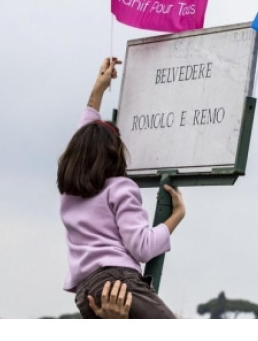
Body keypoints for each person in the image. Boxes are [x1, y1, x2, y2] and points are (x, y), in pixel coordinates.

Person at [57, 57, 186, 319]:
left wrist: (98, 90)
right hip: (120, 283)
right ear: (115, 156)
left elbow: (85, 138)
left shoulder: (70, 193)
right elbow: (142, 247)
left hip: (86, 291)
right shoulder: (121, 189)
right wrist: (175, 218)